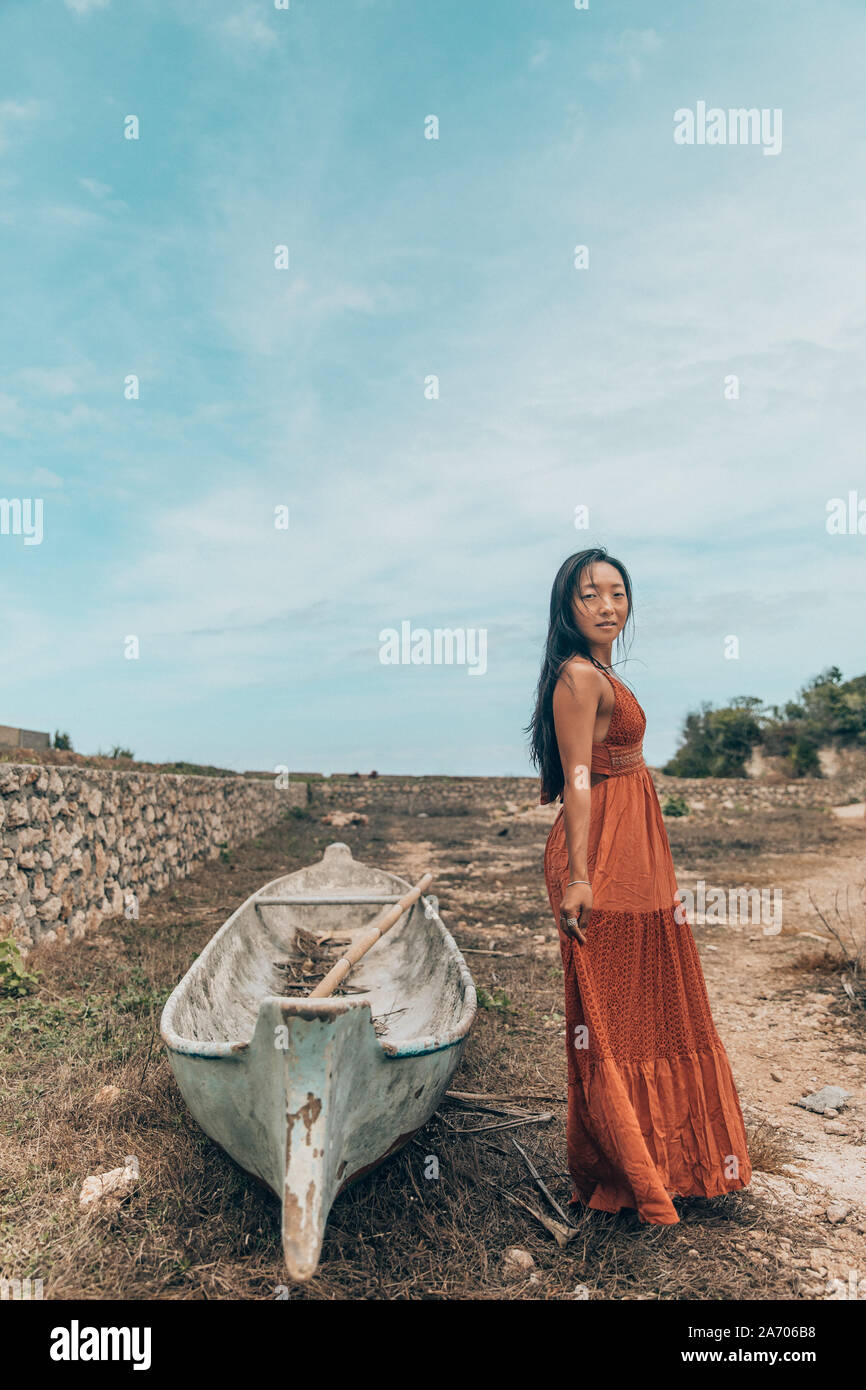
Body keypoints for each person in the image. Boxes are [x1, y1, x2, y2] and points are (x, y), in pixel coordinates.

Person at [528, 547, 752, 1223]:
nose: (607, 606)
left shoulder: (600, 671)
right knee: (615, 1017)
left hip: (636, 851)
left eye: (618, 593)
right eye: (590, 595)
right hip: (601, 860)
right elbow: (575, 779)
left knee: (652, 1005)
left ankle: (666, 1166)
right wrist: (580, 879)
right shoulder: (577, 675)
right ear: (567, 608)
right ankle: (631, 1178)